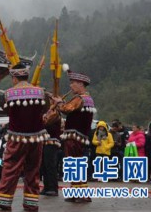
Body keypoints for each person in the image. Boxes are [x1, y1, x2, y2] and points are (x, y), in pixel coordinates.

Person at [0, 63, 49, 212]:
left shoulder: (8, 94)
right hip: (37, 137)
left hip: (16, 137)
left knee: (10, 168)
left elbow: (7, 110)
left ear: (14, 77)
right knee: (33, 170)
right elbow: (45, 109)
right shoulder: (41, 92)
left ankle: (3, 201)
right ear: (27, 75)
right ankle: (31, 204)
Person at [53, 66, 95, 203]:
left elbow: (66, 109)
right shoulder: (88, 99)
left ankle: (80, 194)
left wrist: (59, 103)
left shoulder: (79, 99)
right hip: (80, 137)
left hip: (74, 137)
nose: (71, 86)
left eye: (73, 83)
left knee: (73, 164)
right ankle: (77, 192)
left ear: (81, 84)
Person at [40, 99, 62, 196]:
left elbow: (45, 123)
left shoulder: (55, 114)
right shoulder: (48, 113)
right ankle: (47, 187)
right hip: (45, 141)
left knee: (50, 165)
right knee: (44, 165)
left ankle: (53, 188)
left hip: (52, 141)